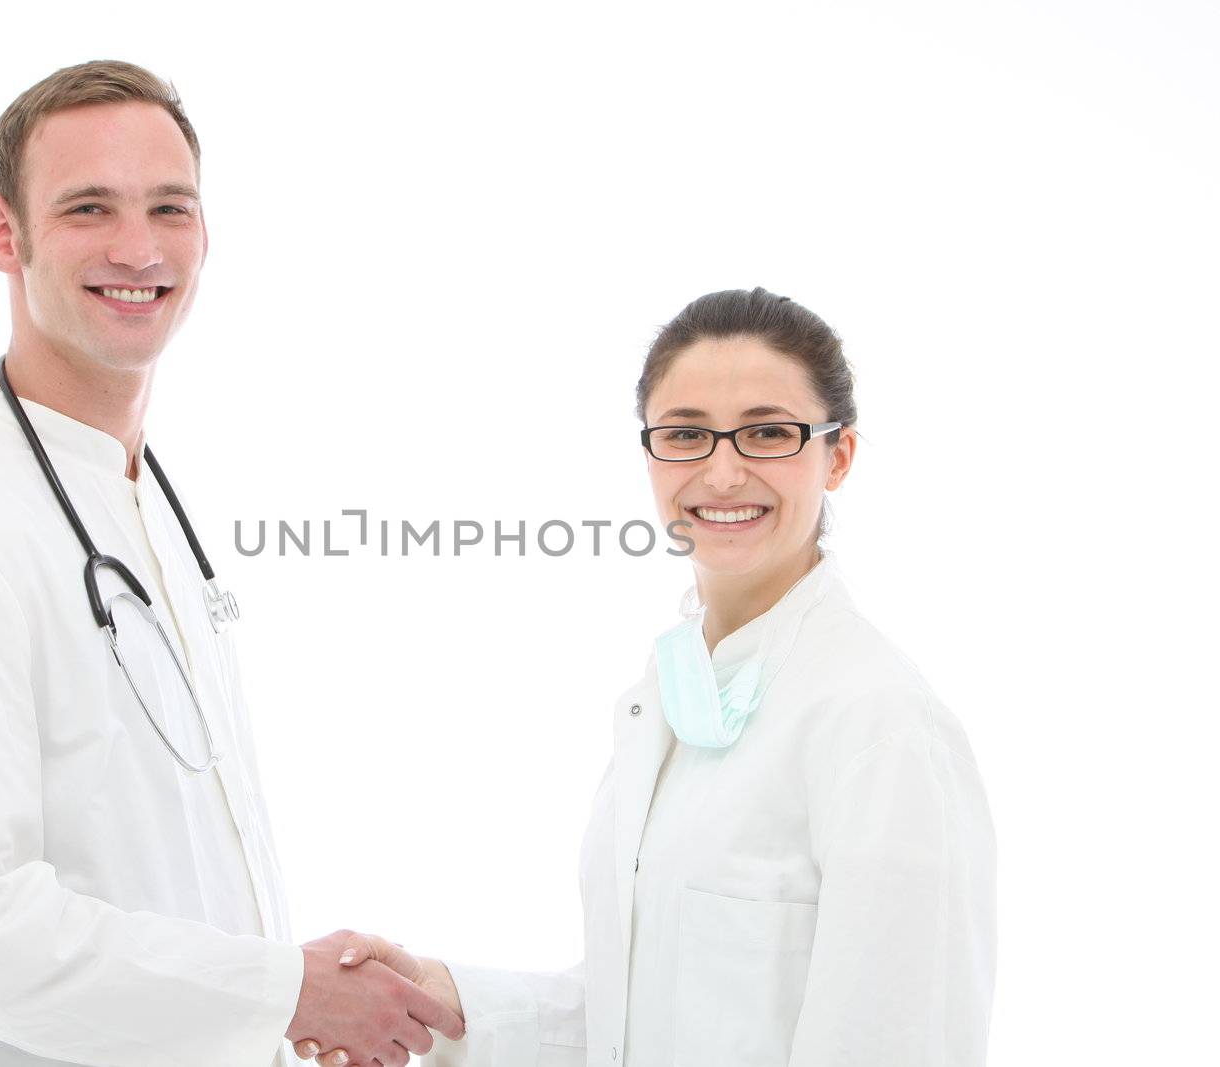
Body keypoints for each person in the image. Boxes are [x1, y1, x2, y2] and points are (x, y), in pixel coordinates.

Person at [0, 60, 461, 1067]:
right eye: (88, 208)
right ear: (4, 234)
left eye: (171, 207)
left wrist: (289, 1004)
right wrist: (280, 992)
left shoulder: (136, 493)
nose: (139, 248)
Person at [295, 287, 997, 1066]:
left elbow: (894, 1037)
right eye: (687, 435)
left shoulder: (881, 727)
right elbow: (646, 1007)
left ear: (838, 455)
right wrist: (439, 994)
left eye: (767, 432)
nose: (723, 473)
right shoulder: (672, 695)